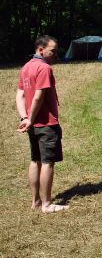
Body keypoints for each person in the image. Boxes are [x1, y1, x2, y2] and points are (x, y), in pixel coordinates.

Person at [16, 35, 68, 213]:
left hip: (32, 125)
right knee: (47, 163)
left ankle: (36, 201)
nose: (55, 54)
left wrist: (24, 118)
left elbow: (20, 95)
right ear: (41, 50)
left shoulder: (26, 67)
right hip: (46, 123)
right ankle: (46, 204)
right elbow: (39, 96)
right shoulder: (44, 68)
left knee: (35, 160)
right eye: (52, 50)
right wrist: (30, 118)